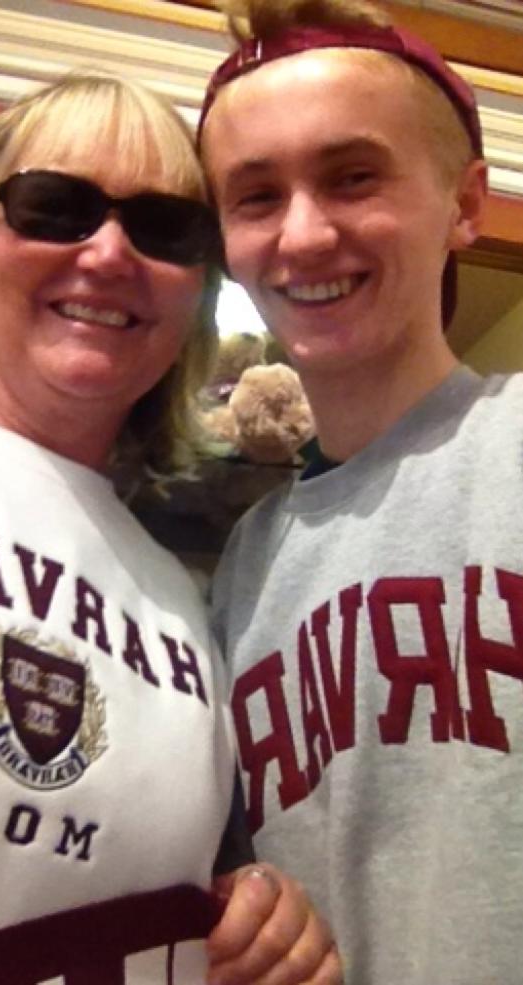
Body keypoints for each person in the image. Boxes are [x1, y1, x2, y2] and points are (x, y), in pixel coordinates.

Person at [0, 71, 341, 984]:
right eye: (56, 207)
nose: (110, 252)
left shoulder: (184, 607)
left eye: (163, 229)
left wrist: (264, 928)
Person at [199, 1, 523, 983]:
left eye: (353, 177)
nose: (303, 234)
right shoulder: (243, 572)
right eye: (256, 197)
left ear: (465, 202)